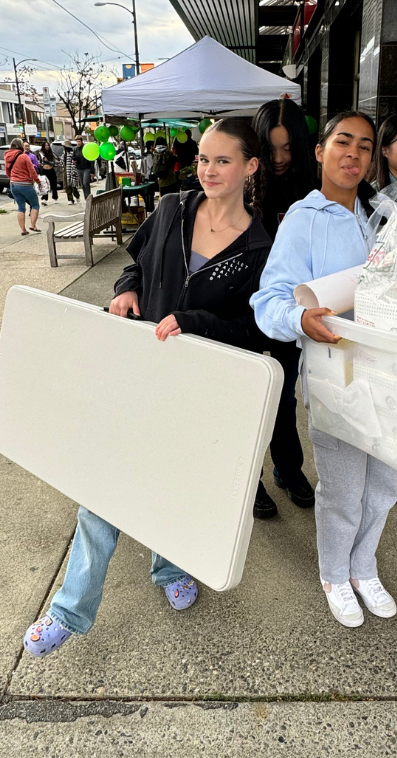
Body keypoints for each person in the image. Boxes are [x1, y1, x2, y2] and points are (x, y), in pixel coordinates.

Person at [23, 117, 273, 658]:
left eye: (222, 160)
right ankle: (70, 608)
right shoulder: (170, 210)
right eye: (203, 158)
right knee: (102, 490)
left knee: (170, 483)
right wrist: (125, 291)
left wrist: (194, 321)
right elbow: (132, 265)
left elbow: (255, 333)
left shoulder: (259, 245)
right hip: (137, 370)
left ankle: (170, 567)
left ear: (250, 166)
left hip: (196, 388)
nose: (207, 170)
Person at [252, 111, 397, 629]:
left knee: (384, 481)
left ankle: (364, 565)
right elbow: (268, 299)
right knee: (341, 485)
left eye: (365, 145)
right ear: (320, 152)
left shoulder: (382, 215)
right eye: (343, 142)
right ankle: (334, 572)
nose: (354, 154)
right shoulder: (304, 218)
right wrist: (299, 318)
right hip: (336, 376)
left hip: (391, 372)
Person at [250, 98, 319, 519]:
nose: (278, 158)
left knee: (283, 395)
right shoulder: (242, 185)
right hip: (239, 310)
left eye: (287, 148)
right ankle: (247, 478)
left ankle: (288, 468)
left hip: (288, 314)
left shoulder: (312, 194)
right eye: (270, 148)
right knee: (246, 393)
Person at [5, 138, 41, 235]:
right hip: (25, 184)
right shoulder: (24, 157)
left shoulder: (7, 156)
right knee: (35, 204)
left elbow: (7, 171)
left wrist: (13, 179)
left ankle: (23, 230)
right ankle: (33, 225)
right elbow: (32, 171)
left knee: (21, 207)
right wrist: (38, 182)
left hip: (14, 184)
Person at [72, 135, 93, 200]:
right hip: (79, 168)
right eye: (77, 141)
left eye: (79, 141)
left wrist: (92, 171)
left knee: (85, 182)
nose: (78, 143)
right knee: (82, 184)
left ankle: (89, 196)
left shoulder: (85, 148)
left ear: (81, 141)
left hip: (86, 167)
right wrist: (74, 160)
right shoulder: (75, 149)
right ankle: (86, 197)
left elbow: (90, 159)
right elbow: (74, 157)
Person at [61, 140, 80, 204]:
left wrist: (74, 171)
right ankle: (70, 199)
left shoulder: (72, 153)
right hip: (65, 170)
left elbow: (74, 163)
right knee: (67, 186)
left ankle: (77, 195)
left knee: (73, 185)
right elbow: (62, 162)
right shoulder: (63, 154)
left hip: (71, 171)